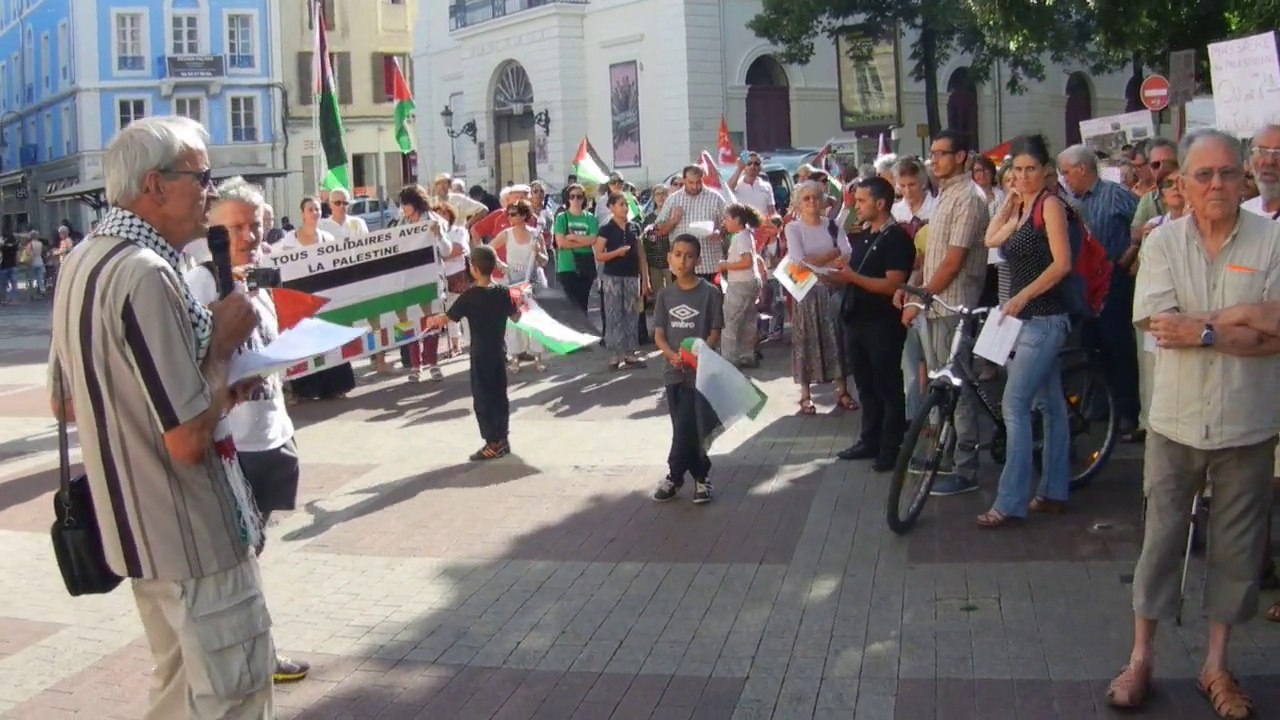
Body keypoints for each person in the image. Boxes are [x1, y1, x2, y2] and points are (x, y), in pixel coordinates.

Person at [48, 115, 273, 718]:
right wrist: (222, 346)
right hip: (191, 535)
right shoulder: (146, 273)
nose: (211, 191)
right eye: (202, 177)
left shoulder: (82, 262)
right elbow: (187, 439)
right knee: (234, 696)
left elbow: (63, 402)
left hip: (136, 532)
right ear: (155, 185)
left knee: (176, 693)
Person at [1108, 129, 1280, 719]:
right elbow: (1160, 326)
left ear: (1245, 177)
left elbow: (1277, 329)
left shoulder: (1273, 240)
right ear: (1180, 182)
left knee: (1237, 548)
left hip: (1249, 422)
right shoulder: (1162, 245)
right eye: (1203, 175)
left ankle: (1217, 666)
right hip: (1176, 422)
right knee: (1160, 542)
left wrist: (1204, 327)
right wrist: (1241, 321)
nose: (1216, 185)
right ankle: (1140, 658)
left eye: (1228, 173)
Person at [182, 176, 310, 684]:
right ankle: (251, 657)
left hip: (273, 432)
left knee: (253, 553)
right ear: (212, 228)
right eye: (234, 227)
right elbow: (192, 364)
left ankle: (253, 653)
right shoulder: (201, 285)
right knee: (237, 561)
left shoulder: (259, 281)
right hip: (230, 443)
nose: (247, 236)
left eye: (254, 225)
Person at [979, 135, 1073, 526]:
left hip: (1045, 319)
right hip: (1025, 320)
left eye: (1030, 169)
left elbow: (1062, 264)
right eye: (1016, 169)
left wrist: (1021, 297)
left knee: (1014, 406)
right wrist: (1011, 202)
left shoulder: (1051, 205)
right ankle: (1053, 491)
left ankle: (1010, 502)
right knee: (1050, 407)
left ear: (1046, 171)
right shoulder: (1024, 206)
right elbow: (990, 239)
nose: (1022, 176)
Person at [895, 130, 991, 497]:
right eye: (932, 154)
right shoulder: (947, 195)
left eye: (943, 154)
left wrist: (922, 296)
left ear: (962, 156)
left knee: (959, 389)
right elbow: (932, 257)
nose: (935, 160)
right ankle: (946, 456)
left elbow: (954, 260)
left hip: (955, 305)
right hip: (938, 305)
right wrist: (918, 292)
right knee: (943, 387)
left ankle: (967, 469)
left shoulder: (968, 197)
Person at [831, 177, 915, 471]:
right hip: (856, 320)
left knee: (887, 385)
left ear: (880, 204)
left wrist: (852, 277)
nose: (857, 206)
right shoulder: (865, 235)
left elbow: (893, 284)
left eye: (863, 200)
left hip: (882, 323)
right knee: (865, 384)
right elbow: (855, 273)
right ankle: (870, 439)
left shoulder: (896, 238)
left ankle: (890, 446)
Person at [424, 245, 521, 461]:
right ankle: (503, 438)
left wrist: (433, 320)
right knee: (499, 395)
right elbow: (516, 317)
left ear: (474, 269)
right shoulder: (504, 292)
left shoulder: (470, 296)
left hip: (480, 355)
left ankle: (492, 442)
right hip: (498, 352)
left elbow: (448, 318)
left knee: (483, 398)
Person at [651, 233, 724, 504]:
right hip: (673, 372)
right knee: (681, 426)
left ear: (698, 259)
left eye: (689, 255)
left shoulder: (710, 293)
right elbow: (659, 334)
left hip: (701, 373)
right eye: (678, 254)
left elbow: (715, 331)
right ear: (669, 257)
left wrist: (701, 350)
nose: (683, 261)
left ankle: (677, 475)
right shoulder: (665, 295)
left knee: (689, 426)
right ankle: (696, 477)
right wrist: (671, 355)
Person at [785, 181, 855, 415]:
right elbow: (798, 260)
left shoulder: (833, 225)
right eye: (806, 198)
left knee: (837, 338)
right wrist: (831, 254)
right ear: (798, 203)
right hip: (806, 290)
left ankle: (842, 390)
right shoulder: (793, 228)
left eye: (816, 197)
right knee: (806, 338)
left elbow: (847, 252)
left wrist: (821, 260)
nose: (812, 202)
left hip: (833, 287)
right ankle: (805, 395)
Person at [279, 197, 357, 400]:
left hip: (324, 298)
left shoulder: (327, 239)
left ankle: (333, 386)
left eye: (317, 209)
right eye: (310, 209)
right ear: (302, 213)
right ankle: (305, 389)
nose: (314, 213)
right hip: (300, 300)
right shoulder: (289, 239)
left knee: (328, 341)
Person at [492, 199, 549, 373]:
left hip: (534, 280)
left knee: (536, 319)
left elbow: (545, 261)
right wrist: (500, 264)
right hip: (514, 281)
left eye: (514, 214)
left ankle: (538, 357)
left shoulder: (535, 234)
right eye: (508, 214)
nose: (509, 217)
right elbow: (489, 249)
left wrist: (538, 252)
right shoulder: (507, 234)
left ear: (524, 215)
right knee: (515, 320)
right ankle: (515, 357)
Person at [595, 191, 649, 370]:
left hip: (632, 276)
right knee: (613, 315)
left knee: (632, 314)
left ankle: (630, 353)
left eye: (626, 204)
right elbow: (599, 255)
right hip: (612, 277)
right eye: (620, 204)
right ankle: (614, 354)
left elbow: (641, 255)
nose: (624, 208)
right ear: (611, 207)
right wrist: (617, 253)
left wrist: (645, 280)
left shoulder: (634, 227)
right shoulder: (606, 228)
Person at [716, 202, 763, 367]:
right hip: (750, 281)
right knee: (748, 320)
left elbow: (746, 261)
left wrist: (725, 265)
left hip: (741, 283)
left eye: (727, 219)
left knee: (731, 321)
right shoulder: (747, 235)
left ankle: (729, 359)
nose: (725, 222)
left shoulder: (739, 237)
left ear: (737, 219)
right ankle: (746, 355)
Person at [552, 184, 599, 315]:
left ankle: (584, 332)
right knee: (571, 305)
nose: (576, 200)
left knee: (583, 304)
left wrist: (572, 237)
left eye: (579, 196)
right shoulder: (562, 217)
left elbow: (593, 240)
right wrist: (583, 242)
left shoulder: (590, 218)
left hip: (586, 266)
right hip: (567, 266)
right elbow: (561, 243)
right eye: (572, 196)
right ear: (568, 199)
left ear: (584, 199)